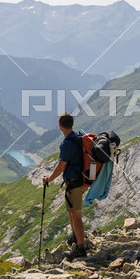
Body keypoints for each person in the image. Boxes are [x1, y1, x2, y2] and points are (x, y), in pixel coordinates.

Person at [43, 112, 87, 261]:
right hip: (80, 180)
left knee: (76, 214)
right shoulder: (78, 139)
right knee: (71, 210)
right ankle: (75, 236)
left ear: (60, 126)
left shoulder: (66, 143)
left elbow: (61, 166)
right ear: (72, 124)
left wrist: (48, 179)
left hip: (74, 182)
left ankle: (81, 248)